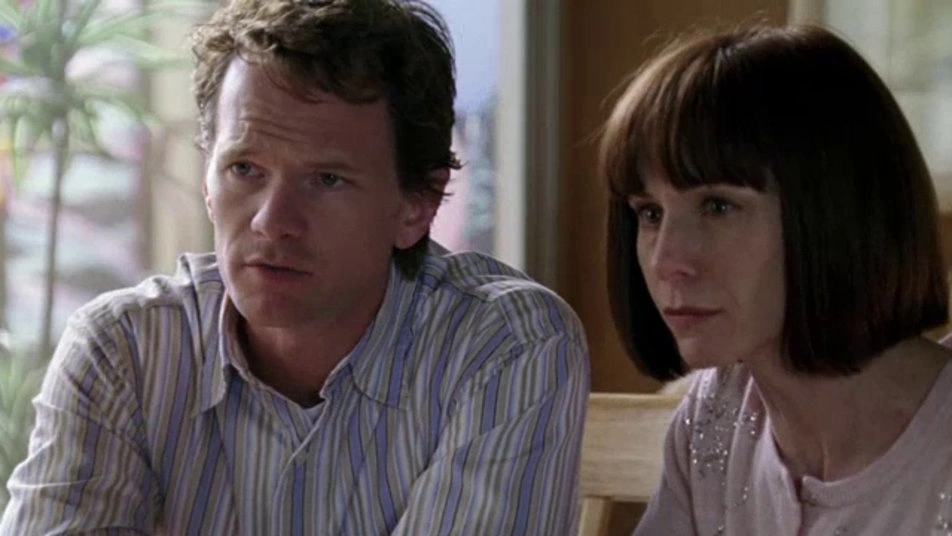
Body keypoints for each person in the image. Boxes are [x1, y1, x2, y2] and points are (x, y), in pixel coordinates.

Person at [0, 0, 590, 533]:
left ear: (417, 205)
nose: (271, 221)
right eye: (245, 170)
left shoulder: (502, 345)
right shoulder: (125, 349)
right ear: (207, 182)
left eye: (327, 179)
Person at [600, 24, 952, 535]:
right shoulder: (714, 418)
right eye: (650, 213)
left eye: (718, 206)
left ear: (836, 213)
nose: (666, 259)